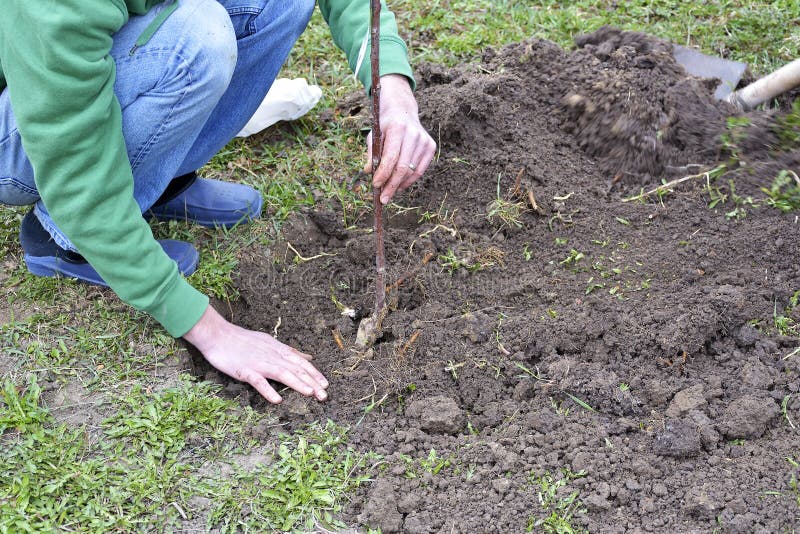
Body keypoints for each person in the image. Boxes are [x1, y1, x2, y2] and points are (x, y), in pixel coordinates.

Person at [0, 0, 436, 403]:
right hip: (26, 114)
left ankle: (154, 178)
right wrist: (210, 331)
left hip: (70, 60)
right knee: (197, 41)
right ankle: (61, 235)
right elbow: (76, 173)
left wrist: (392, 89)